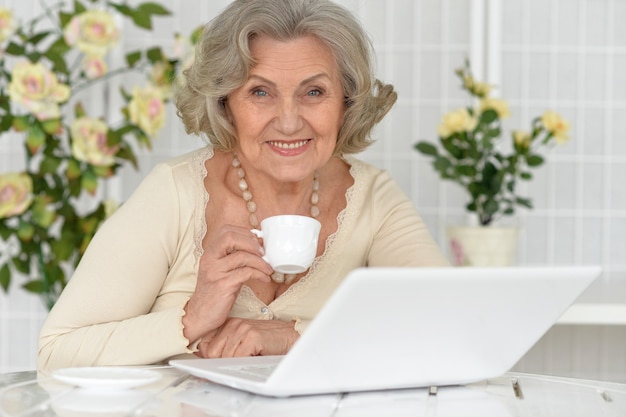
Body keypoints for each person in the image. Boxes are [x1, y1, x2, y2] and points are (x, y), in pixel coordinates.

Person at [37, 0, 449, 371]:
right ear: (225, 105)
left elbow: (449, 328)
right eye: (260, 92)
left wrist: (294, 336)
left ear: (346, 103)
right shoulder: (173, 192)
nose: (289, 121)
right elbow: (56, 353)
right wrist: (191, 319)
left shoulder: (374, 197)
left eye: (314, 91)